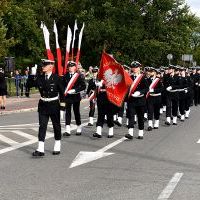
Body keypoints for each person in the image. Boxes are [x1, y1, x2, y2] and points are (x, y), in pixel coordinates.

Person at [31, 59, 65, 157]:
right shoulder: (40, 77)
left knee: (56, 126)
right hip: (43, 105)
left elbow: (62, 94)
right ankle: (40, 149)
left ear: (51, 66)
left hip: (54, 105)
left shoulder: (57, 78)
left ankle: (57, 144)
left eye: (45, 65)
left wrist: (62, 108)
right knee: (42, 126)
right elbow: (30, 85)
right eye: (43, 65)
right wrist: (32, 75)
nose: (43, 67)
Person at [125, 61, 148, 140]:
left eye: (136, 67)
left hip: (140, 100)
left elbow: (146, 88)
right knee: (131, 116)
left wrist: (140, 92)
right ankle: (130, 133)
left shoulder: (143, 77)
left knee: (140, 117)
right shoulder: (129, 77)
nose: (134, 69)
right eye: (133, 67)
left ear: (139, 68)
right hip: (131, 100)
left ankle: (140, 132)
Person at [63, 61, 86, 136]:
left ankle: (79, 127)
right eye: (69, 67)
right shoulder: (65, 76)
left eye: (72, 66)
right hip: (68, 97)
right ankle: (67, 129)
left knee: (76, 112)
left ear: (75, 67)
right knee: (68, 112)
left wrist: (75, 90)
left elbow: (83, 86)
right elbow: (62, 86)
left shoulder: (78, 76)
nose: (70, 68)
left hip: (75, 97)